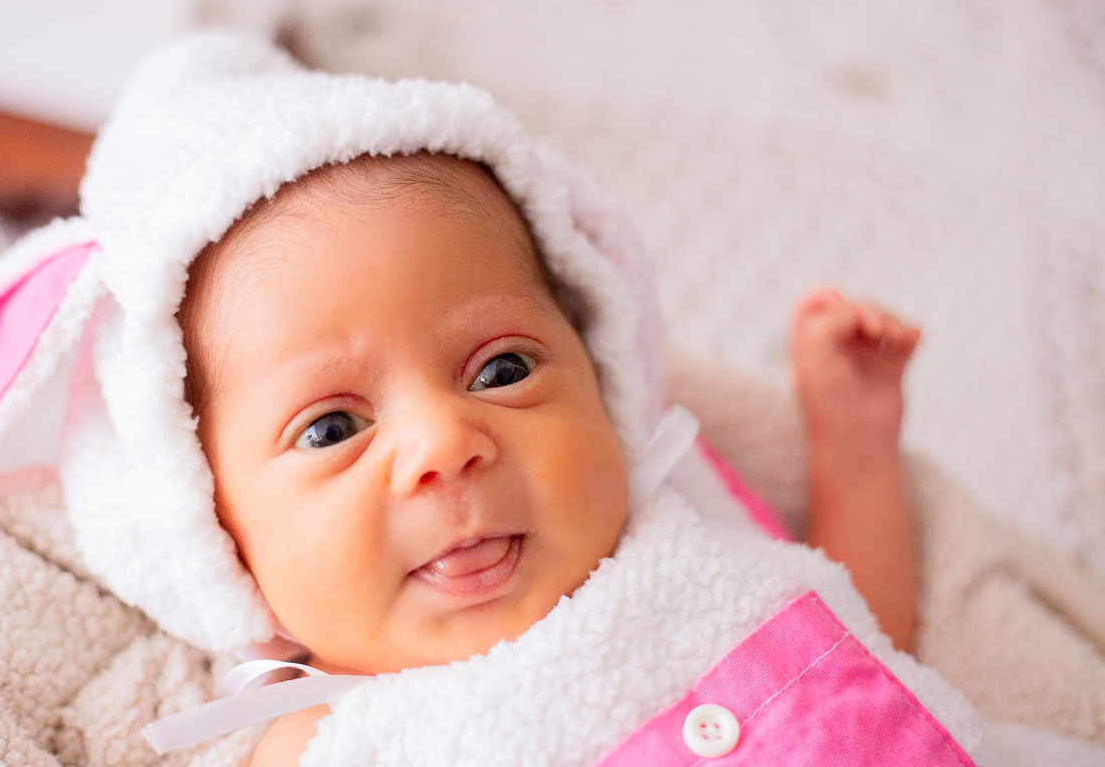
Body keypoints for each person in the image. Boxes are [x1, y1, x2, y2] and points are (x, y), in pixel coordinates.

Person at [174, 150, 921, 763]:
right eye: (331, 429)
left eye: (501, 372)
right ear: (218, 526)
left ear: (598, 378)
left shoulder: (679, 542)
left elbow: (865, 663)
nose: (443, 444)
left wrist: (854, 455)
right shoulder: (325, 742)